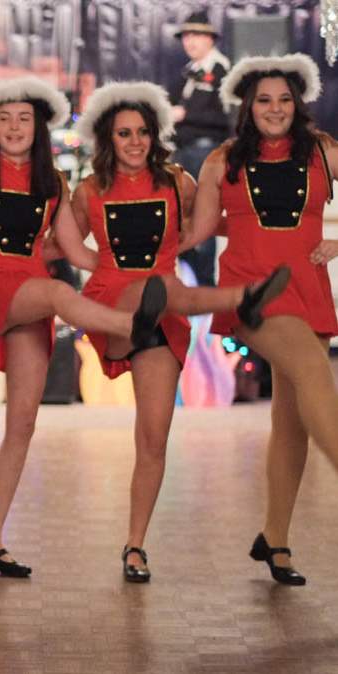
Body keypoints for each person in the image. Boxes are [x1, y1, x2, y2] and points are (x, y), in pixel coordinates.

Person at [0, 76, 169, 579]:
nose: (13, 127)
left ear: (39, 126)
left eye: (24, 119)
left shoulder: (54, 185)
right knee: (58, 293)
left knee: (23, 422)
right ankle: (133, 327)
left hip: (27, 288)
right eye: (4, 119)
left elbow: (80, 253)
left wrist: (131, 267)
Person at [69, 81, 290, 582]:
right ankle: (241, 299)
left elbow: (210, 224)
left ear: (155, 135)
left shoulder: (176, 182)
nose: (135, 141)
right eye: (124, 133)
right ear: (108, 138)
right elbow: (62, 245)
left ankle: (135, 546)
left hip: (163, 313)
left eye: (142, 132)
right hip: (114, 305)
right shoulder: (89, 190)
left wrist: (261, 231)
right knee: (163, 286)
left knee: (153, 438)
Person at [190, 53, 338, 585]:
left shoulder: (322, 152)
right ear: (247, 107)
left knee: (292, 419)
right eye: (263, 101)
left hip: (308, 290)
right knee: (317, 374)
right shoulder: (222, 161)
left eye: (284, 100)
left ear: (297, 104)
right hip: (251, 292)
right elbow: (197, 231)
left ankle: (274, 539)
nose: (274, 109)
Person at [169, 9, 232, 286]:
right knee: (182, 219)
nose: (189, 41)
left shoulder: (221, 72)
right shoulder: (187, 73)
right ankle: (189, 282)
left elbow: (228, 118)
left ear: (210, 39)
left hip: (206, 151)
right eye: (185, 36)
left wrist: (185, 115)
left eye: (195, 35)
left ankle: (205, 286)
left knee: (204, 219)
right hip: (182, 152)